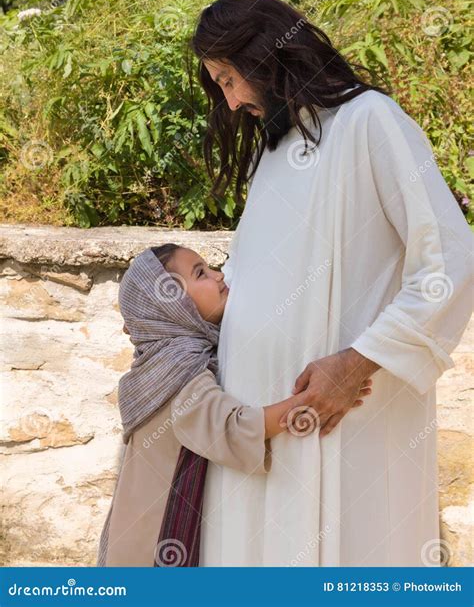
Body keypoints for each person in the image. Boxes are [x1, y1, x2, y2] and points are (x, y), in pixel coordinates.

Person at [189, 0, 473, 566]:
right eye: (219, 84)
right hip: (260, 435)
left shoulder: (370, 121)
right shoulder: (271, 151)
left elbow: (449, 257)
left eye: (229, 76)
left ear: (267, 53)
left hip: (345, 417)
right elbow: (247, 282)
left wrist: (356, 363)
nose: (233, 97)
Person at [97, 242, 373, 566]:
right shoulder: (176, 370)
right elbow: (230, 429)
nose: (218, 275)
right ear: (171, 305)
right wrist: (314, 398)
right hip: (152, 546)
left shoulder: (158, 363)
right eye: (200, 273)